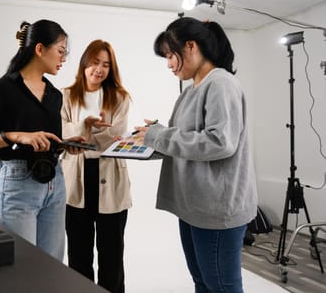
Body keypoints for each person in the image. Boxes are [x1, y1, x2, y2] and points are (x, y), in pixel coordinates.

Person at [134, 17, 258, 293]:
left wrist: (159, 135)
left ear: (190, 46)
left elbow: (219, 142)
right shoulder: (192, 91)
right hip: (194, 206)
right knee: (203, 282)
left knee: (221, 286)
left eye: (170, 55)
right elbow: (184, 141)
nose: (168, 64)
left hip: (215, 208)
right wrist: (148, 137)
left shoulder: (221, 84)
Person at [0, 19, 83, 261]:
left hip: (54, 181)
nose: (63, 59)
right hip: (18, 183)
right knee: (21, 266)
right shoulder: (0, 89)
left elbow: (46, 140)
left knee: (52, 266)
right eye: (61, 51)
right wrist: (15, 136)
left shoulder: (54, 95)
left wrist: (65, 145)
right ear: (40, 49)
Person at [61, 39, 131, 293]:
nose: (99, 69)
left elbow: (118, 134)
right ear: (84, 64)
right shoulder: (66, 95)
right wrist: (87, 126)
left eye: (105, 65)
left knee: (112, 256)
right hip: (75, 181)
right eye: (94, 63)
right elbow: (59, 132)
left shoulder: (120, 97)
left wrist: (78, 133)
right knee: (78, 255)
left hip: (110, 181)